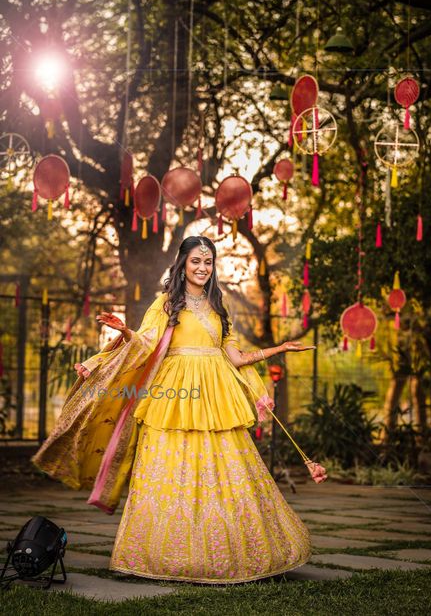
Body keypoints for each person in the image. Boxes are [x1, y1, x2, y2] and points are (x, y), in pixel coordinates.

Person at [32, 235, 326, 584]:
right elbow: (146, 343)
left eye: (208, 262)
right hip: (174, 394)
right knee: (169, 471)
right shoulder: (166, 304)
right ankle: (160, 557)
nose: (202, 268)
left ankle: (232, 553)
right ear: (183, 264)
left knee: (226, 472)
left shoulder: (219, 306)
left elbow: (236, 357)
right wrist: (125, 330)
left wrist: (279, 348)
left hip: (216, 395)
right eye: (195, 262)